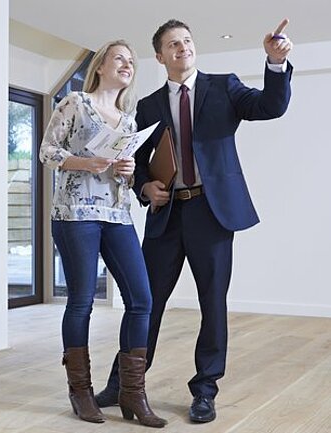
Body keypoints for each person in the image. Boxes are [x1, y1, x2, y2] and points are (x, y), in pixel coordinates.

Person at [95, 19, 293, 423]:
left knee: (212, 304)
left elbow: (270, 107)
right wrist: (145, 186)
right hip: (167, 215)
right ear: (160, 56)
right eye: (173, 44)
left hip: (212, 213)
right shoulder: (148, 106)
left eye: (186, 41)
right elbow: (135, 161)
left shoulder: (225, 87)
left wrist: (275, 64)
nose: (182, 47)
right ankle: (124, 383)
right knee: (144, 303)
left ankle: (205, 390)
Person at [40, 40, 166, 428]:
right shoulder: (75, 103)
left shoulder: (128, 121)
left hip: (117, 215)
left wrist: (127, 171)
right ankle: (81, 392)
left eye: (131, 61)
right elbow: (47, 151)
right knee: (81, 301)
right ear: (100, 67)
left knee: (142, 300)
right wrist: (86, 162)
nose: (127, 65)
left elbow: (122, 176)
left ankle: (132, 392)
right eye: (119, 59)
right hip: (75, 213)